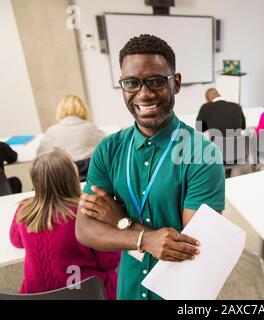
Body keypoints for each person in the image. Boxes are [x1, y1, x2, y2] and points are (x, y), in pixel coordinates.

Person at [75, 34, 225, 300]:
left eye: (156, 81)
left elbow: (194, 249)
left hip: (180, 292)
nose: (144, 94)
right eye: (131, 82)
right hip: (129, 289)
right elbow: (85, 229)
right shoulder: (109, 150)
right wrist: (146, 239)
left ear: (175, 83)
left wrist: (120, 222)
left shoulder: (202, 154)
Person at [9, 148, 120, 299]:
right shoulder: (87, 212)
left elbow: (16, 241)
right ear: (72, 177)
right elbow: (109, 262)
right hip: (86, 293)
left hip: (36, 294)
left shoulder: (24, 210)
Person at [37, 95, 105, 180]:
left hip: (62, 178)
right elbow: (107, 146)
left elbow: (40, 156)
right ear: (83, 108)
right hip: (89, 176)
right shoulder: (91, 128)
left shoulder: (52, 131)